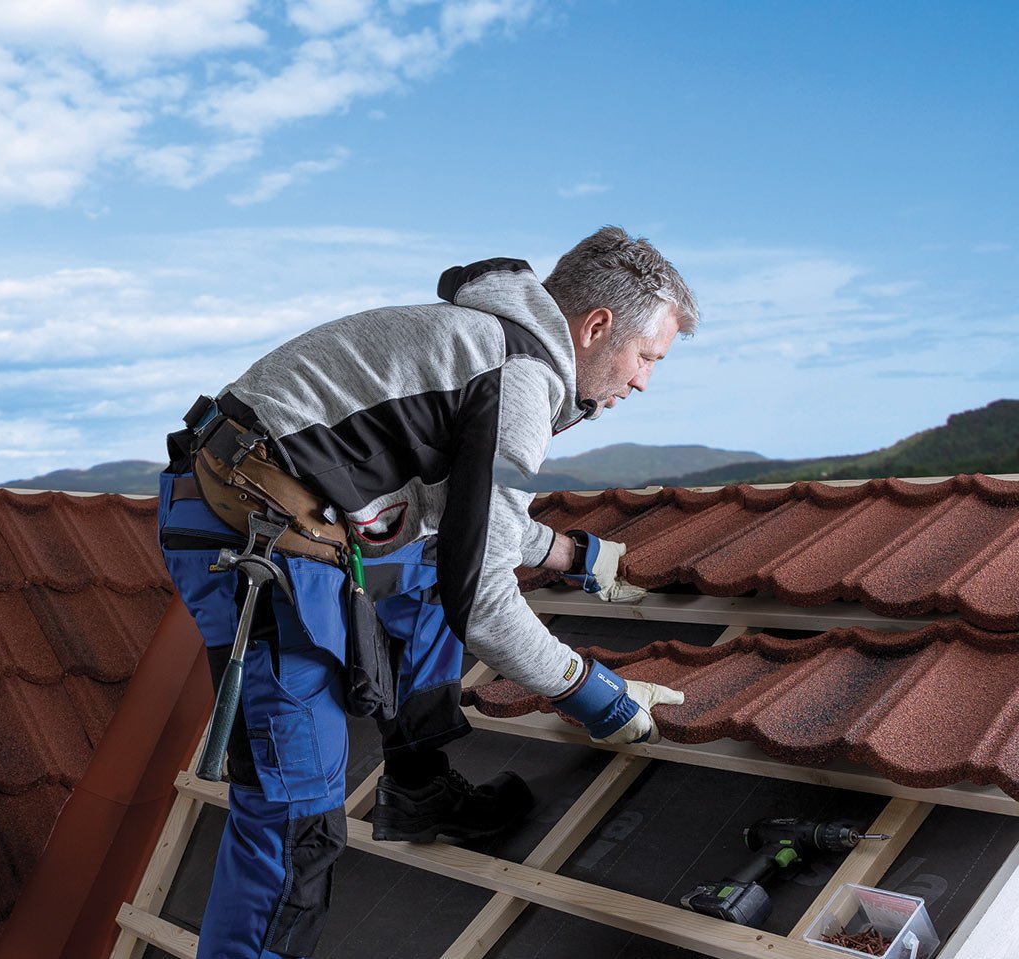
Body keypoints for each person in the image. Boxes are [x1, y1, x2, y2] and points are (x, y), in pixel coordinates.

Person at [158, 226, 698, 959]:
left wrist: (570, 552)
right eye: (647, 357)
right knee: (296, 810)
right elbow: (480, 595)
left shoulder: (485, 343)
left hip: (250, 505)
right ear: (597, 326)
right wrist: (594, 692)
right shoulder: (519, 377)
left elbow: (452, 517)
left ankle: (416, 785)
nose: (641, 381)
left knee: (426, 571)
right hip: (257, 541)